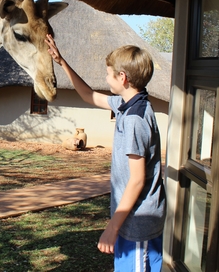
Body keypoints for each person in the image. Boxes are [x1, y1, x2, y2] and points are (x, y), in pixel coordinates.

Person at [45, 34, 166, 271]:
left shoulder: (134, 120)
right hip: (132, 222)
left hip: (137, 224)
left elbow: (137, 179)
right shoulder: (129, 103)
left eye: (108, 73)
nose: (105, 77)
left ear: (123, 77)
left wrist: (112, 227)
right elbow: (89, 95)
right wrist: (62, 62)